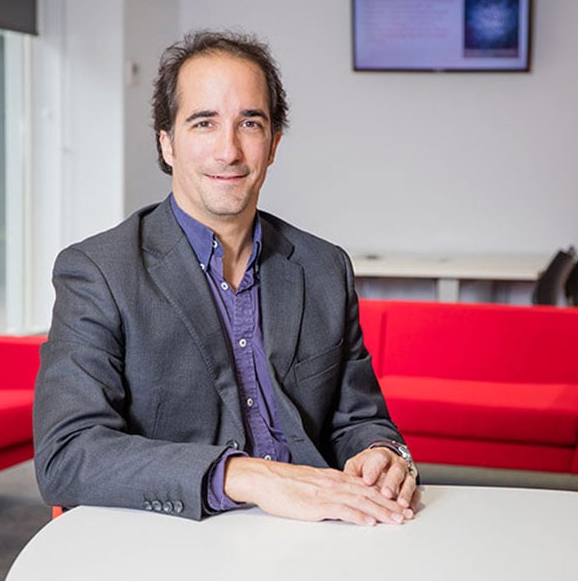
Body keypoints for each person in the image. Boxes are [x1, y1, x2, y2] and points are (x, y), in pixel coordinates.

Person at [33, 29, 420, 526]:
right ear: (167, 143)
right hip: (180, 535)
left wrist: (381, 452)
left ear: (273, 144)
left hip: (321, 532)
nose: (229, 151)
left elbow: (359, 418)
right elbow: (68, 453)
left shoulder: (324, 268)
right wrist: (247, 476)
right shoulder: (99, 272)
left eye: (250, 123)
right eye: (204, 123)